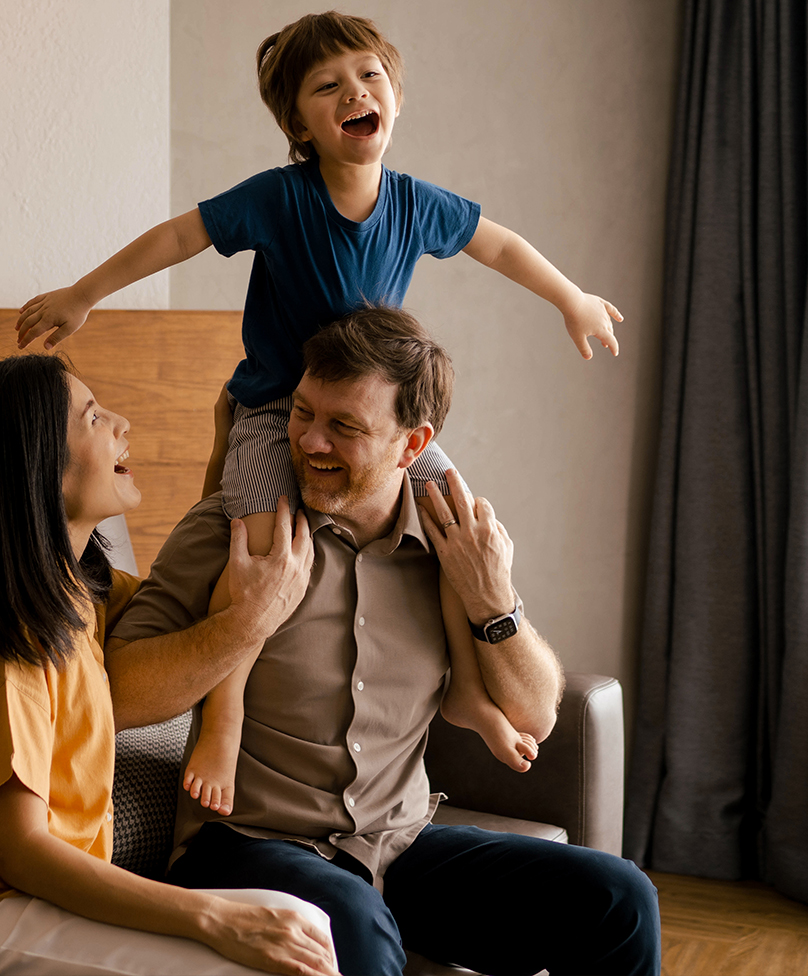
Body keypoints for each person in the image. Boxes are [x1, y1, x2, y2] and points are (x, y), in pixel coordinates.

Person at [16, 10, 620, 813]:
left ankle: (469, 693)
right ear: (299, 122)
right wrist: (84, 294)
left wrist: (571, 299)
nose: (353, 93)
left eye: (369, 76)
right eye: (327, 86)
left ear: (396, 95)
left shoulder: (416, 204)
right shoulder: (279, 198)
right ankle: (222, 720)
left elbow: (500, 245)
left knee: (453, 523)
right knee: (257, 555)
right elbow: (176, 238)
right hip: (273, 408)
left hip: (376, 413)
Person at [107, 307, 661, 975]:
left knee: (619, 898)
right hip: (247, 844)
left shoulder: (450, 547)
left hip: (397, 846)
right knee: (350, 919)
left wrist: (494, 600)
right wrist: (243, 622)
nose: (310, 441)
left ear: (411, 443)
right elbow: (118, 694)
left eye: (344, 427)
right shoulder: (236, 534)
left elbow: (535, 714)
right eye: (303, 413)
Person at [0, 354, 340, 976]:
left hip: (35, 905)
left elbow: (194, 606)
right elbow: (19, 849)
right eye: (93, 418)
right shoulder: (2, 626)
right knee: (260, 963)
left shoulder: (84, 596)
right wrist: (214, 918)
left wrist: (233, 453)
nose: (122, 424)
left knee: (304, 921)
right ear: (40, 466)